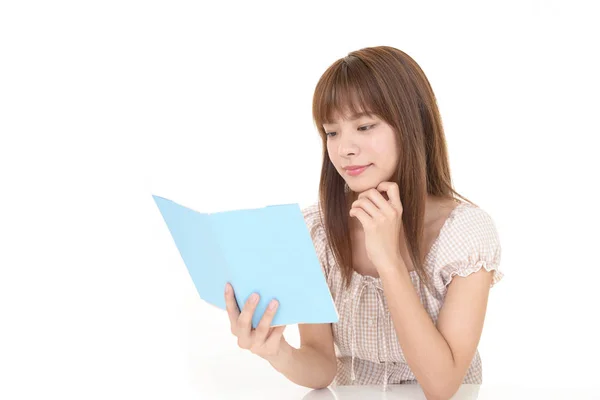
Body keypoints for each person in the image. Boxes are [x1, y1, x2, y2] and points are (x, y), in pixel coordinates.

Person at [223, 46, 503, 399]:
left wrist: (389, 261)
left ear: (412, 125)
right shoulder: (318, 231)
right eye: (332, 132)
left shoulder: (464, 235)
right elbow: (322, 365)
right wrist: (276, 352)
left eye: (365, 126)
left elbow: (442, 385)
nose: (344, 149)